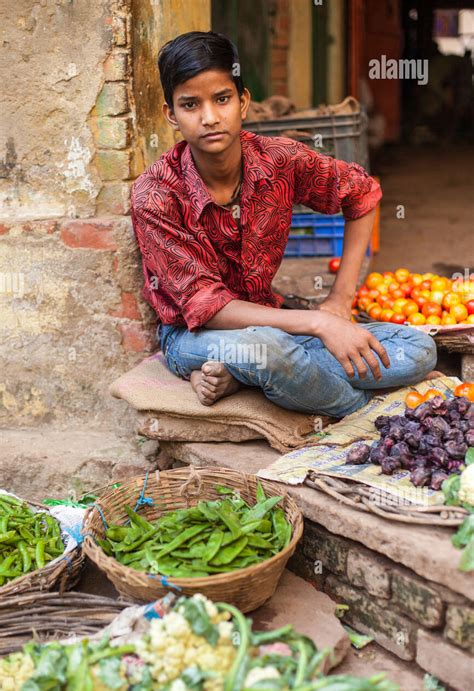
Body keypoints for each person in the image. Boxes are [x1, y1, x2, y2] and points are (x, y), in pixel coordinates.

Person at [131, 31, 437, 418]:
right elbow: (207, 309)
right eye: (191, 105)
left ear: (243, 101)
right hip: (193, 337)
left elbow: (362, 194)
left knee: (417, 347)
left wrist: (340, 301)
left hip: (272, 318)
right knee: (269, 351)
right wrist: (318, 323)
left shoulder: (279, 159)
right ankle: (368, 415)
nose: (209, 117)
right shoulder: (155, 194)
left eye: (222, 99)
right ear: (171, 115)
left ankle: (249, 377)